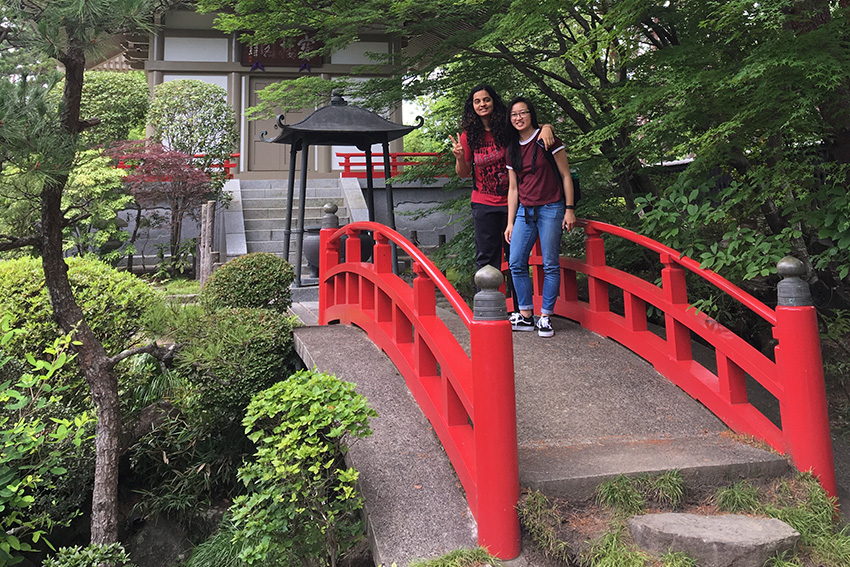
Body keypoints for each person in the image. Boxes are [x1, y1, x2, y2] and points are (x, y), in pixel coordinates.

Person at [448, 84, 553, 318]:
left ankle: (520, 310)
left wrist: (547, 127)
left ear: (494, 101)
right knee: (486, 257)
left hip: (513, 201)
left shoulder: (506, 129)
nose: (482, 104)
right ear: (472, 106)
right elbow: (464, 172)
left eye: (486, 100)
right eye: (477, 101)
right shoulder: (468, 136)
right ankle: (489, 310)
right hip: (483, 202)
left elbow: (529, 128)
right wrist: (458, 157)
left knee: (516, 257)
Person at [504, 96, 576, 338]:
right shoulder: (511, 148)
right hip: (525, 209)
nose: (518, 118)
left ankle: (545, 316)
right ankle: (526, 315)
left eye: (522, 113)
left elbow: (566, 175)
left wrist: (569, 208)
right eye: (514, 114)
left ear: (531, 114)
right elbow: (513, 188)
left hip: (551, 208)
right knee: (516, 262)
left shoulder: (548, 139)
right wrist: (510, 221)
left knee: (550, 263)